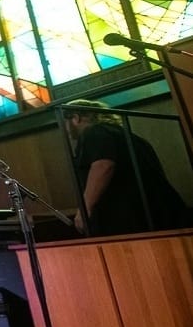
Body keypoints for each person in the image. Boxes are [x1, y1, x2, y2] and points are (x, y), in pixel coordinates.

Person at [63, 99, 188, 236]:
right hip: (161, 213)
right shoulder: (130, 136)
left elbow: (103, 165)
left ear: (76, 118)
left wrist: (84, 209)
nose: (66, 129)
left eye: (65, 122)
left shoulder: (94, 132)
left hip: (131, 218)